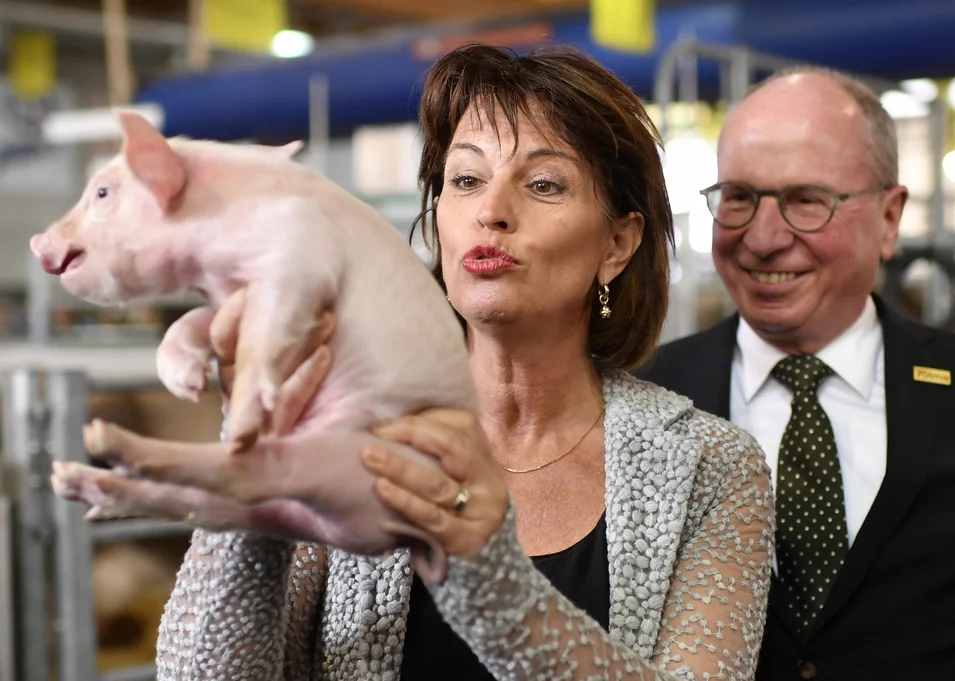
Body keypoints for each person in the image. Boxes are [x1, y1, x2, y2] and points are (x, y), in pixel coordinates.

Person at [83, 44, 775, 679]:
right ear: (437, 214)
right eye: (466, 178)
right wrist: (255, 475)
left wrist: (491, 579)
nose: (490, 212)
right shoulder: (345, 420)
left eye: (543, 186)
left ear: (617, 244)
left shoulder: (711, 468)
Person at [635, 67, 955, 681]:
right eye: (738, 197)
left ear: (890, 218)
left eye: (806, 201)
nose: (762, 239)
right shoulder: (645, 399)